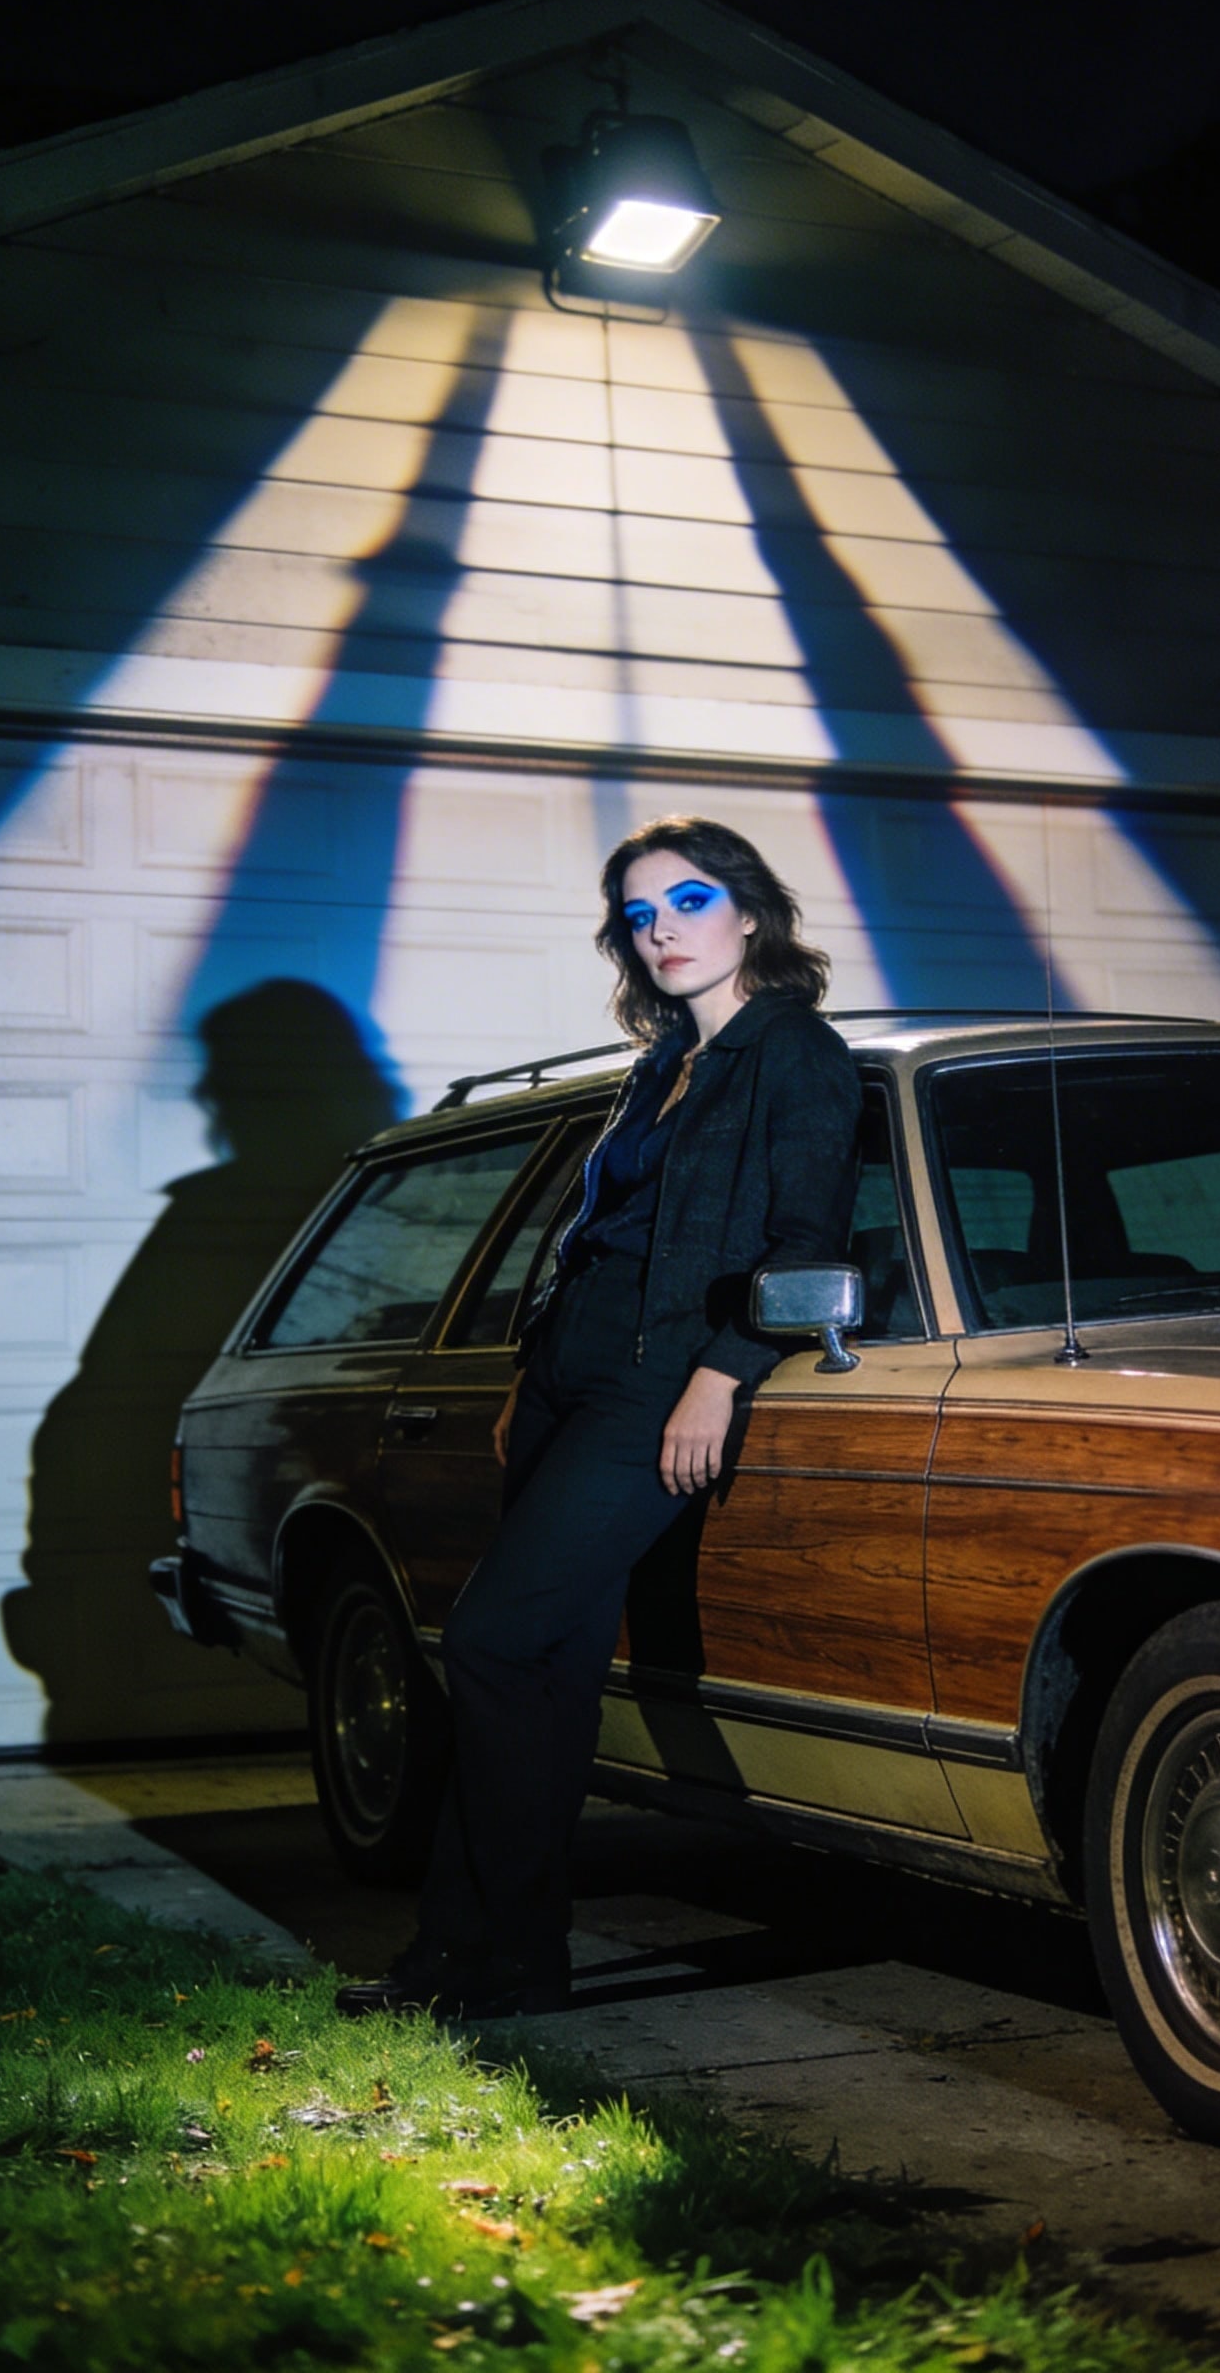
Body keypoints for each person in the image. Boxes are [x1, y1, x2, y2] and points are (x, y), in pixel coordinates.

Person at [337, 816, 864, 2020]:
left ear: (747, 910)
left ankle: (504, 1947)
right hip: (569, 1378)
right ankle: (469, 1959)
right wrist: (532, 1371)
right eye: (638, 916)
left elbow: (804, 1241)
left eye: (685, 902)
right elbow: (592, 1243)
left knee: (487, 1643)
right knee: (539, 1671)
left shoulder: (797, 1056)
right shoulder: (657, 1066)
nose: (662, 932)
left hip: (657, 1382)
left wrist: (722, 1373)